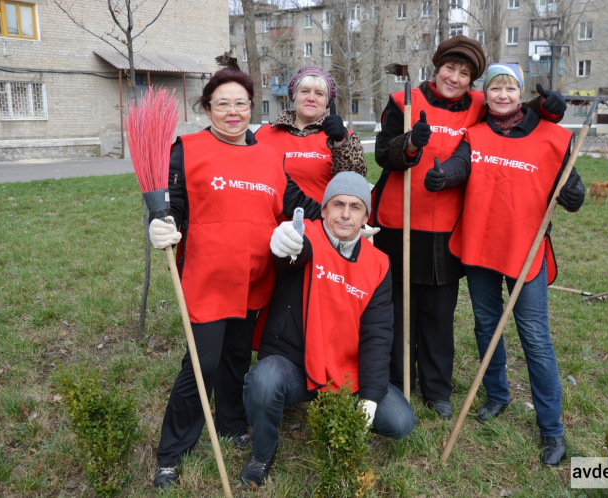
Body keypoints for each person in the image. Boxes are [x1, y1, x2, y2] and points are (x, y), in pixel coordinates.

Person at [372, 35, 566, 419]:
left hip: (448, 227)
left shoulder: (479, 105)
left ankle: (437, 389)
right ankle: (399, 383)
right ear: (437, 67)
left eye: (465, 73)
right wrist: (410, 145)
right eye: (450, 68)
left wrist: (550, 109)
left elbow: (514, 112)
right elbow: (383, 154)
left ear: (472, 80)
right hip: (399, 223)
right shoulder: (402, 102)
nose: (455, 78)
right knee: (398, 310)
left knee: (439, 314)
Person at [147, 67, 321, 489]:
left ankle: (228, 421)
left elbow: (297, 206)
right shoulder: (185, 150)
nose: (232, 111)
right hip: (206, 279)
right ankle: (172, 451)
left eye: (241, 103)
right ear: (207, 108)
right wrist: (161, 223)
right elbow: (174, 207)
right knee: (201, 364)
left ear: (251, 107)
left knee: (237, 356)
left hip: (255, 279)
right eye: (222, 103)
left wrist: (344, 221)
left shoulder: (268, 155)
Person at [424, 63, 585, 466]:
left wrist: (573, 193)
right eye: (494, 88)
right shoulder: (475, 135)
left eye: (509, 88)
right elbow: (464, 164)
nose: (501, 95)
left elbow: (573, 188)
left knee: (535, 338)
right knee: (486, 325)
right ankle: (497, 394)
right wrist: (444, 177)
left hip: (525, 253)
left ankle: (551, 429)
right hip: (481, 248)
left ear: (519, 93)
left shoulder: (551, 137)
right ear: (487, 93)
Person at [239, 172, 417, 489]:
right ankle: (262, 455)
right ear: (323, 210)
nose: (345, 214)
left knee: (402, 421)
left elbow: (378, 336)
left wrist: (371, 399)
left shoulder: (378, 264)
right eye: (337, 205)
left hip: (347, 374)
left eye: (355, 206)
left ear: (366, 216)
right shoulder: (304, 235)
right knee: (264, 382)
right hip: (295, 365)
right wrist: (282, 245)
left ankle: (343, 419)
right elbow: (291, 258)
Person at [255, 65, 367, 202]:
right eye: (305, 91)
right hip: (272, 221)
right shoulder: (265, 133)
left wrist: (340, 142)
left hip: (320, 220)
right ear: (294, 96)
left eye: (319, 94)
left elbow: (355, 181)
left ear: (327, 102)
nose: (311, 98)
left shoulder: (344, 137)